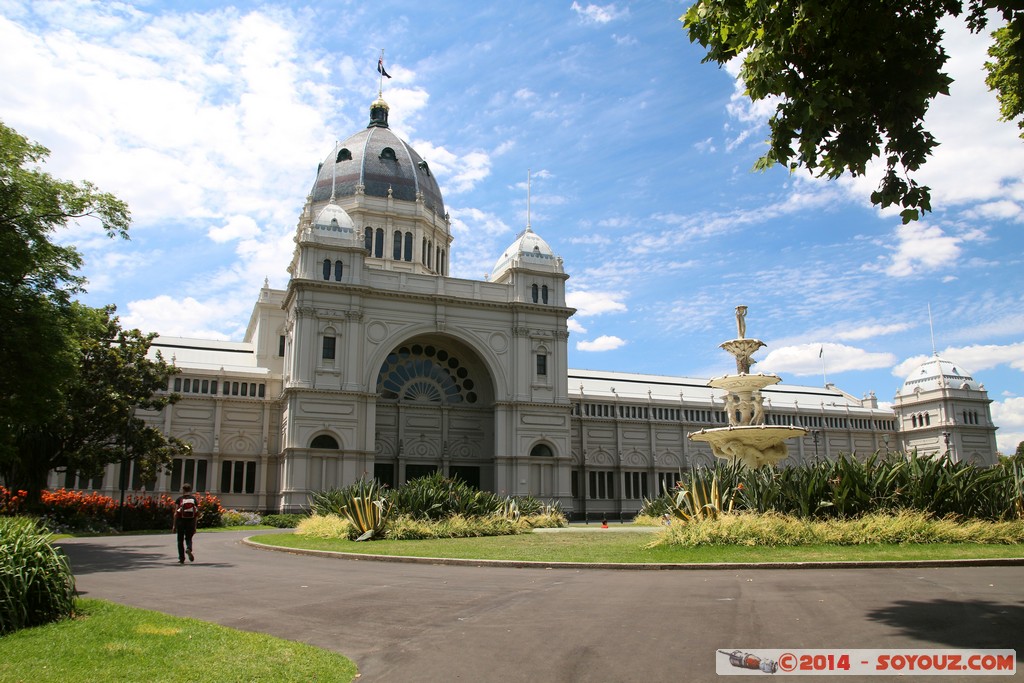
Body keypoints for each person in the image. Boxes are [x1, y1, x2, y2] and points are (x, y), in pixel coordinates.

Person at [172, 483, 199, 564]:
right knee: (189, 538)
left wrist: (174, 525)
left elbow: (176, 513)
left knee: (180, 540)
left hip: (181, 521)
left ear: (183, 490)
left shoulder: (179, 499)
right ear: (190, 490)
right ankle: (189, 548)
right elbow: (196, 513)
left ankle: (181, 558)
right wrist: (195, 526)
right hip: (191, 521)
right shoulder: (193, 499)